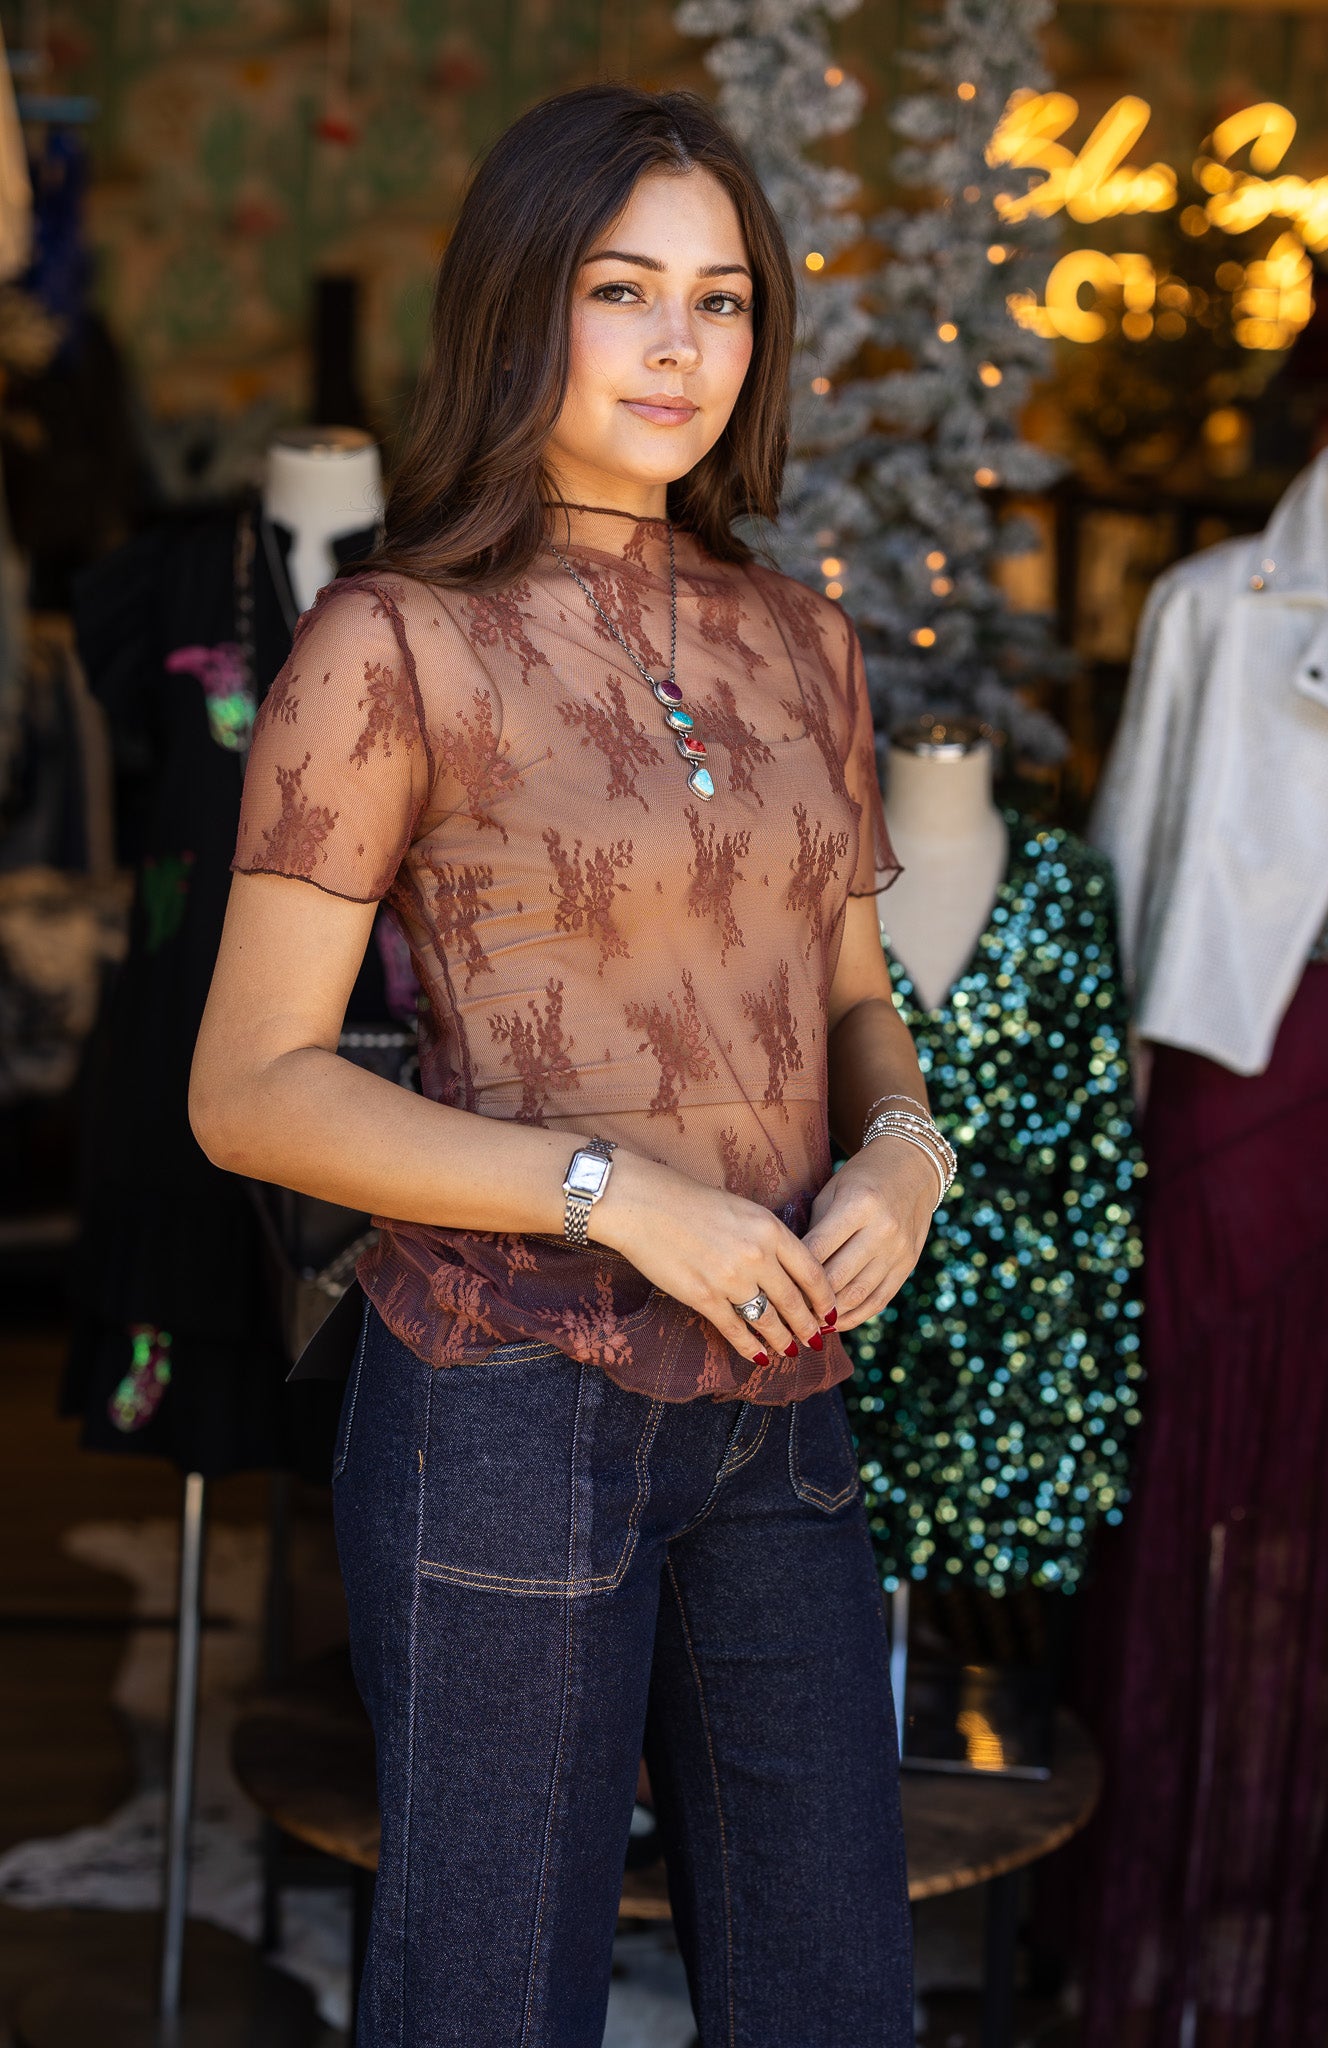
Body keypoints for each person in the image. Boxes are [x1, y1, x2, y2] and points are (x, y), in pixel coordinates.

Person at [191, 82, 945, 2048]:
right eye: (626, 291)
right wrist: (623, 1195)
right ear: (524, 305)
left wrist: (899, 1149)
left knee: (834, 1997)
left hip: (781, 1395)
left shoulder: (805, 646)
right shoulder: (392, 643)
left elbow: (852, 1000)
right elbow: (250, 1085)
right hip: (504, 1401)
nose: (683, 347)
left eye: (722, 299)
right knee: (485, 2006)